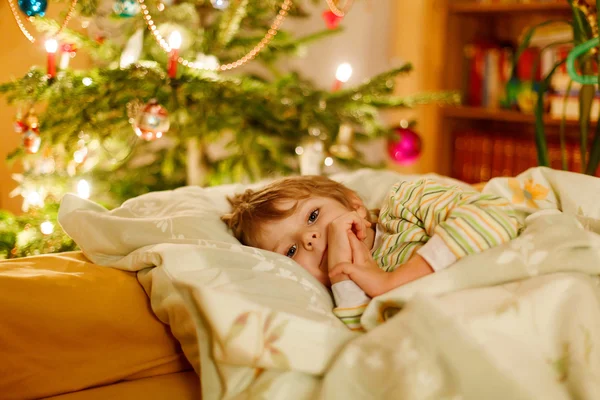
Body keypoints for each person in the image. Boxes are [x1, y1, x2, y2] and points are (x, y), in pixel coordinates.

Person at [221, 175, 522, 330]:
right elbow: (366, 333)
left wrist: (392, 282)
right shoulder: (337, 293)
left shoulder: (405, 204)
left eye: (312, 216)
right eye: (291, 250)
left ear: (354, 205)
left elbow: (493, 215)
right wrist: (342, 274)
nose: (310, 238)